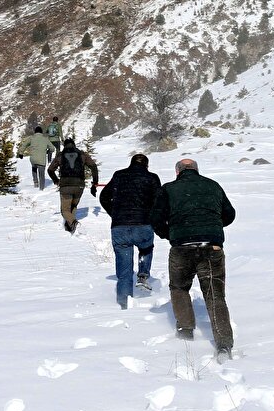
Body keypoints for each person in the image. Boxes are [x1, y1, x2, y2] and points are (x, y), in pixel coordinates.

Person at [151, 157, 237, 362]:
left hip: (182, 247)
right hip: (212, 247)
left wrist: (170, 234)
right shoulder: (213, 185)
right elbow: (230, 214)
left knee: (180, 288)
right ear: (197, 170)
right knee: (215, 295)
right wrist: (211, 227)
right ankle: (224, 344)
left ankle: (185, 331)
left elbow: (155, 218)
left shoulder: (169, 189)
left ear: (177, 172)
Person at [99, 153, 161, 309]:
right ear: (146, 165)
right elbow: (160, 201)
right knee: (146, 248)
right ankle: (143, 275)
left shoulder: (119, 175)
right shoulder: (152, 178)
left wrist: (114, 213)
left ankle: (124, 304)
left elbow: (104, 197)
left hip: (120, 227)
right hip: (143, 224)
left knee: (125, 270)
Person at [47, 137, 98, 233]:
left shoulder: (60, 155)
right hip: (79, 186)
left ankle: (74, 223)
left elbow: (50, 170)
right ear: (74, 145)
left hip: (65, 185)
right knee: (73, 206)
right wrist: (95, 183)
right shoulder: (82, 154)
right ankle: (70, 227)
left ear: (64, 145)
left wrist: (56, 180)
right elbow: (94, 167)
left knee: (65, 210)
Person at [16, 126, 53, 190]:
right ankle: (41, 188)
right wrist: (48, 151)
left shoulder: (31, 138)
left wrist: (21, 153)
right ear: (41, 132)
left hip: (33, 159)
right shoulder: (45, 139)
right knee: (41, 175)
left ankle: (35, 183)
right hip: (41, 160)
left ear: (35, 132)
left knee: (34, 168)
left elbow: (24, 144)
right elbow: (52, 148)